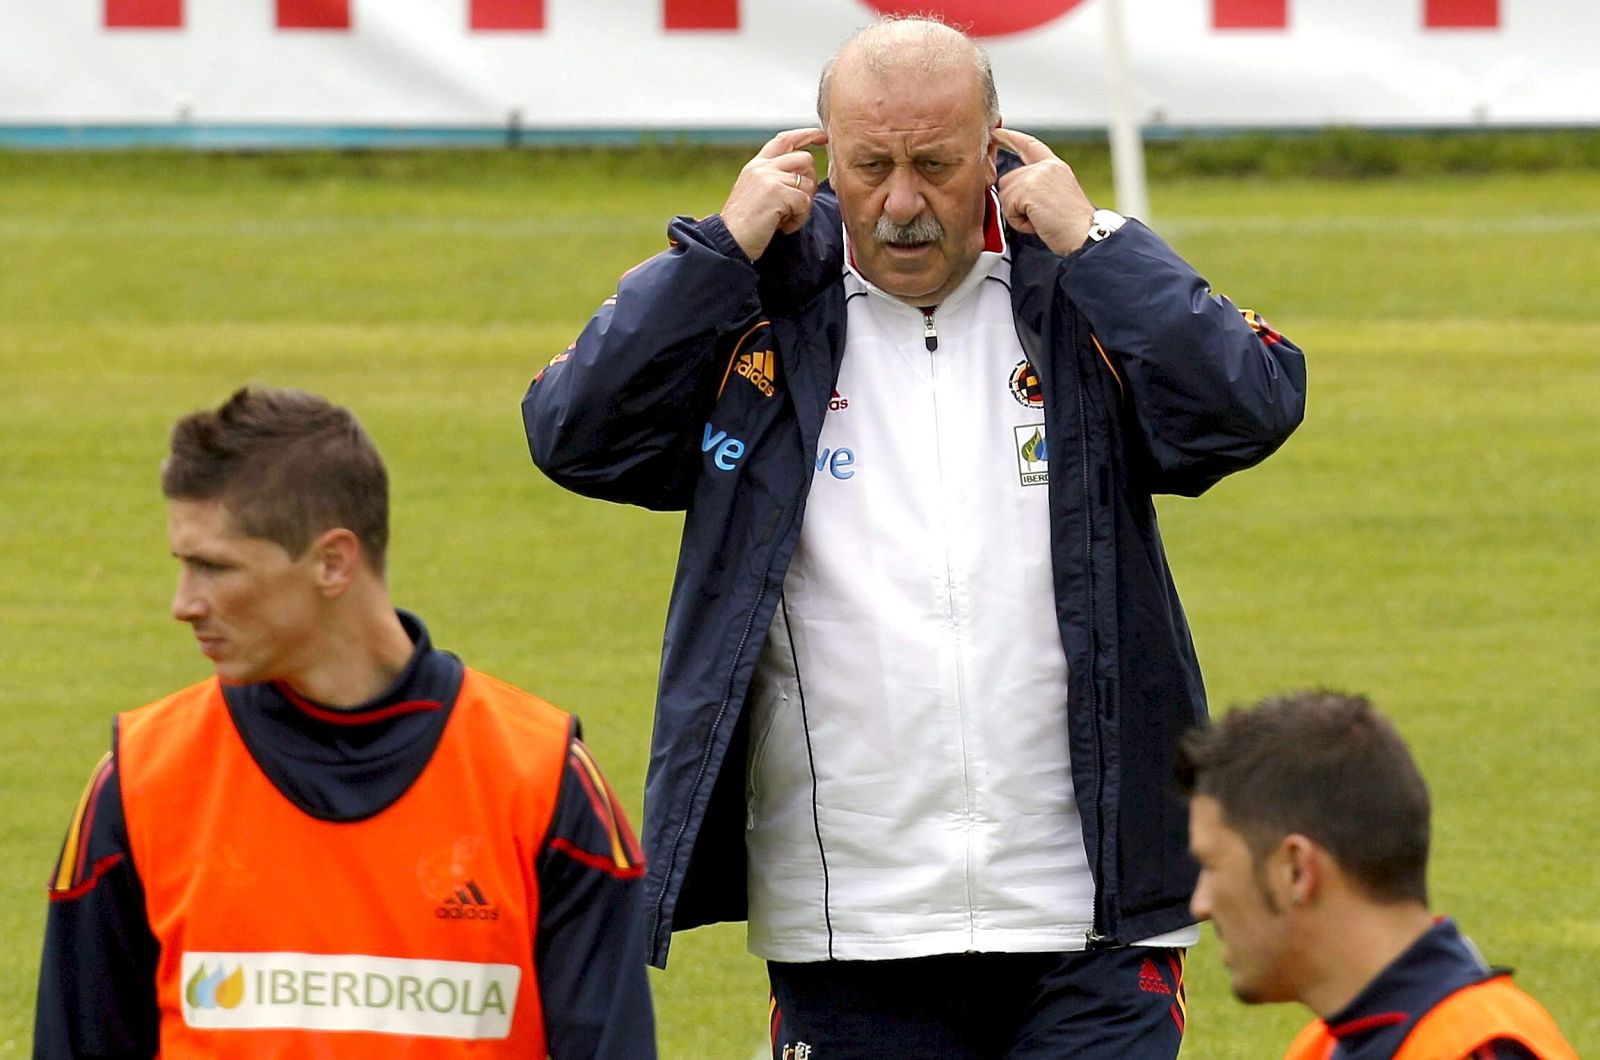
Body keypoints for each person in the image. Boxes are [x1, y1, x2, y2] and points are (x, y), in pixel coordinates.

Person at [523, 15, 1305, 1057]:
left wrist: (1102, 246)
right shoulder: (755, 314)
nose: (900, 204)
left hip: (1091, 913)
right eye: (868, 165)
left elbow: (1248, 404)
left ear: (996, 150)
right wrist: (713, 256)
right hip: (851, 924)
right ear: (818, 159)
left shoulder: (1075, 293)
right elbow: (574, 432)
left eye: (934, 166)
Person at [35, 386, 655, 1059]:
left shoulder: (538, 780)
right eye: (183, 565)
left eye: (213, 567)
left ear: (333, 561)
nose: (184, 605)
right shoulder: (141, 782)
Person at [1177, 690, 1577, 1059]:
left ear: (1297, 870)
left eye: (1213, 866)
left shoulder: (1476, 1048)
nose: (1201, 904)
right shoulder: (1332, 1042)